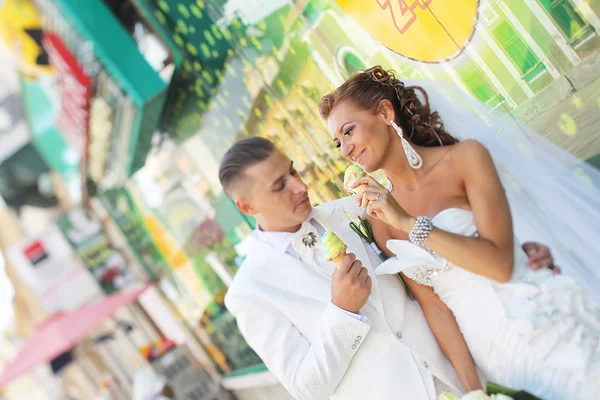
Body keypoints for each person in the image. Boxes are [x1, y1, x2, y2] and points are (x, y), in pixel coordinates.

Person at [320, 66, 600, 399]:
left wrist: (409, 223)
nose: (345, 149)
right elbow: (435, 308)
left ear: (384, 112)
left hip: (542, 323)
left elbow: (499, 265)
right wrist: (473, 392)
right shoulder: (379, 219)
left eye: (349, 132)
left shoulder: (465, 159)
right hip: (494, 357)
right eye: (338, 142)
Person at [218, 136, 556, 400]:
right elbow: (308, 390)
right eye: (280, 185)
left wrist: (516, 253)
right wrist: (342, 313)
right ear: (246, 206)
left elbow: (440, 260)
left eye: (293, 170)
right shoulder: (250, 292)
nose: (300, 186)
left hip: (470, 373)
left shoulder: (356, 208)